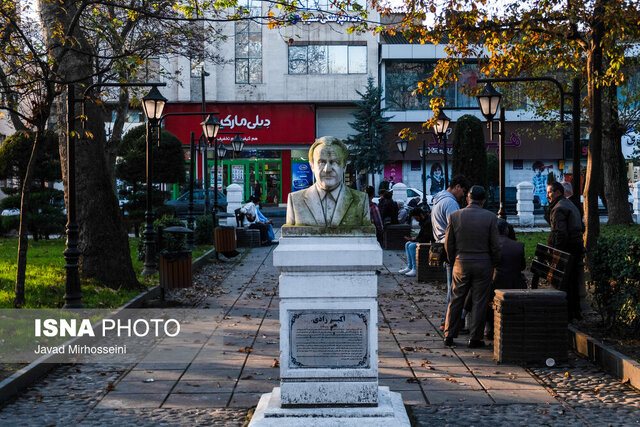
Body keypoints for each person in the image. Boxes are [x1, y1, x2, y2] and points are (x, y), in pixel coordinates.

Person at [444, 186, 501, 348]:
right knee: (479, 301)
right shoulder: (490, 218)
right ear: (483, 201)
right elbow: (495, 245)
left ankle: (449, 334)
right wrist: (495, 262)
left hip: (461, 262)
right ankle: (475, 338)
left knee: (456, 299)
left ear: (467, 199)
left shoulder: (455, 216)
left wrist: (453, 260)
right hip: (483, 263)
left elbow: (449, 244)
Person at [286, 136, 369, 227]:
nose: (327, 169)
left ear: (344, 166)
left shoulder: (361, 200)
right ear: (312, 166)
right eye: (321, 162)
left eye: (334, 162)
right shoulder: (294, 201)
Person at [431, 175, 470, 329]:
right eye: (463, 192)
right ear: (457, 187)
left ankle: (449, 320)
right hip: (450, 248)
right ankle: (449, 321)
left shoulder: (438, 200)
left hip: (441, 245)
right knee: (454, 289)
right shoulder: (450, 203)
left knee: (451, 287)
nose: (463, 196)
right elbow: (455, 229)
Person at [546, 181, 584, 321]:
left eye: (550, 192)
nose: (547, 195)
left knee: (565, 282)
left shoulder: (559, 208)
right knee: (572, 282)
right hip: (576, 247)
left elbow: (559, 233)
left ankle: (567, 314)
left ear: (558, 192)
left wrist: (555, 253)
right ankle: (575, 312)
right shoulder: (569, 205)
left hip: (567, 250)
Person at [398, 207, 434, 277]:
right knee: (407, 244)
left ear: (421, 215)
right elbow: (422, 235)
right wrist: (414, 239)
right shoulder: (424, 221)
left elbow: (426, 238)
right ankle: (410, 266)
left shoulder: (427, 222)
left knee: (411, 246)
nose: (416, 220)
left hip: (429, 242)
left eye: (416, 218)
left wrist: (415, 239)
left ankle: (415, 268)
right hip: (425, 240)